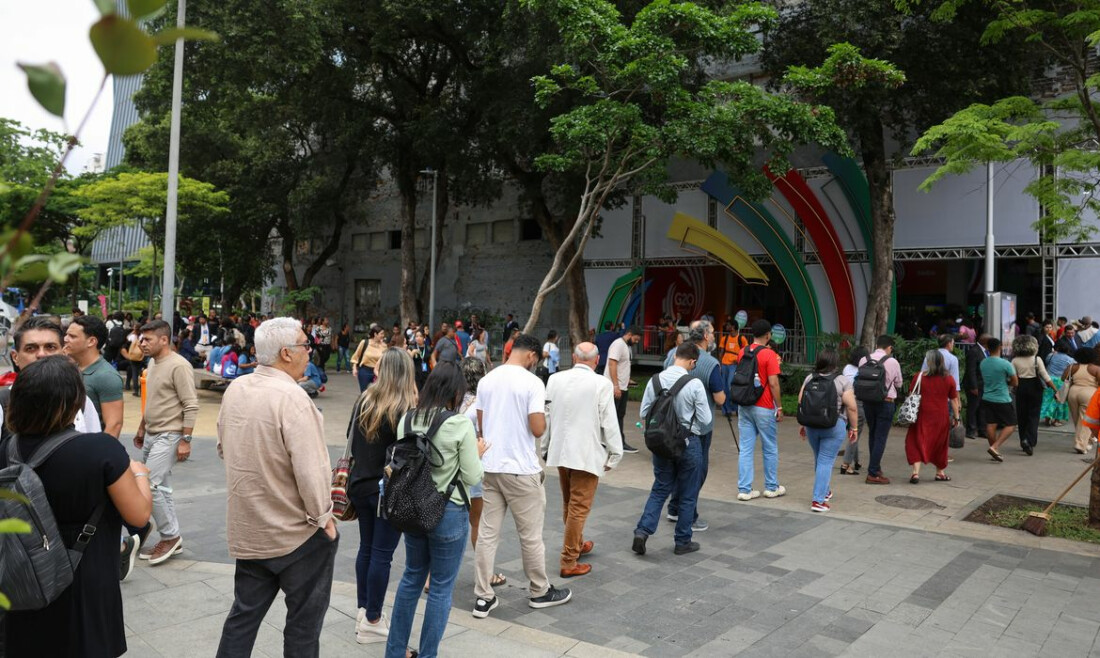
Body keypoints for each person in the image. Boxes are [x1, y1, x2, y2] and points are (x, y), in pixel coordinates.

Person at [0, 356, 152, 658]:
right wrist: (140, 474)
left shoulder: (6, 447)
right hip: (84, 581)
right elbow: (139, 515)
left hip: (22, 579)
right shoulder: (100, 450)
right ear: (74, 402)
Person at [215, 318, 338, 658]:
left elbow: (224, 447)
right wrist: (323, 518)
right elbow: (312, 472)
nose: (308, 351)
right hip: (296, 535)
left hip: (250, 530)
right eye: (305, 345)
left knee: (242, 619)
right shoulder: (294, 399)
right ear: (287, 353)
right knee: (302, 628)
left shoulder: (237, 389)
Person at [385, 363, 487, 658]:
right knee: (441, 587)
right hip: (448, 512)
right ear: (456, 392)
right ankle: (428, 655)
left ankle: (394, 652)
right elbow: (472, 477)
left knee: (411, 577)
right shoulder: (459, 424)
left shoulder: (407, 419)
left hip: (412, 508)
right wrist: (478, 454)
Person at [472, 334, 571, 618]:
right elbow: (538, 429)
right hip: (521, 469)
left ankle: (483, 596)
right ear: (532, 355)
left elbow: (481, 422)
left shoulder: (487, 379)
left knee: (487, 534)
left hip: (490, 466)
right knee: (530, 536)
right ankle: (539, 591)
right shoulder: (532, 382)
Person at [344, 348, 417, 644]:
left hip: (359, 484)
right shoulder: (404, 408)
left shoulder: (365, 398)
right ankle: (373, 619)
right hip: (385, 491)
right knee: (382, 555)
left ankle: (365, 610)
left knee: (367, 548)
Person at [542, 342, 623, 577]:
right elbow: (608, 420)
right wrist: (616, 453)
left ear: (575, 358)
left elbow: (547, 416)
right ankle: (568, 560)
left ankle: (576, 544)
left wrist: (546, 447)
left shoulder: (555, 380)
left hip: (561, 451)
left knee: (570, 503)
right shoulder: (601, 384)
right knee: (578, 507)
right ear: (596, 361)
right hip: (586, 453)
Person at [632, 342, 711, 555]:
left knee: (660, 488)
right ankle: (682, 541)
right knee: (687, 493)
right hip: (688, 442)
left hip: (661, 443)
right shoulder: (695, 384)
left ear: (676, 355)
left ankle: (642, 531)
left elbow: (644, 412)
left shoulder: (655, 380)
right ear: (693, 361)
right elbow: (706, 420)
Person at [133, 320, 199, 564]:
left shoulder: (179, 366)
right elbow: (152, 399)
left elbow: (191, 404)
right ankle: (174, 536)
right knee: (162, 488)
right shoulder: (152, 362)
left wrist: (186, 440)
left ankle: (169, 537)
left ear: (164, 339)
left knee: (149, 485)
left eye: (147, 339)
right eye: (141, 339)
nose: (142, 343)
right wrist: (142, 427)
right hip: (152, 433)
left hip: (170, 434)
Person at [663, 321, 726, 530]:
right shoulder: (710, 363)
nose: (715, 337)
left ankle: (674, 508)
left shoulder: (674, 354)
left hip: (671, 422)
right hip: (699, 427)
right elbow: (720, 399)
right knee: (696, 471)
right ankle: (689, 515)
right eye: (713, 333)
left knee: (677, 467)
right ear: (706, 336)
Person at [797, 350, 859, 511]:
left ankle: (825, 490)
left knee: (820, 459)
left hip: (811, 425)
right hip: (833, 426)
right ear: (835, 363)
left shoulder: (810, 378)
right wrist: (854, 427)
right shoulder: (842, 381)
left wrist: (803, 423)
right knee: (825, 461)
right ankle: (818, 500)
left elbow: (801, 400)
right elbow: (852, 407)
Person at [737, 320, 786, 498]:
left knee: (746, 448)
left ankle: (744, 489)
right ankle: (771, 487)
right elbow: (773, 383)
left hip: (744, 405)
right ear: (768, 335)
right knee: (770, 447)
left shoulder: (742, 351)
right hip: (764, 406)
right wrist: (779, 406)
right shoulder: (769, 354)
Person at [904, 350, 960, 483]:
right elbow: (954, 399)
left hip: (921, 414)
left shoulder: (919, 377)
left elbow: (911, 393)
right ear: (942, 362)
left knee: (916, 440)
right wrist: (957, 417)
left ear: (929, 362)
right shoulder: (949, 379)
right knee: (940, 444)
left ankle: (915, 473)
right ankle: (940, 473)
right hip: (941, 416)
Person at [64, 315, 124, 438]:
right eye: (66, 334)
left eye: (72, 336)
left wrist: (101, 455)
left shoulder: (106, 376)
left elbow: (114, 425)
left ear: (91, 341)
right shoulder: (70, 369)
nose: (65, 339)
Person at [859, 335, 904, 484]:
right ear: (889, 347)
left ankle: (875, 467)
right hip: (886, 402)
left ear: (877, 344)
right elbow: (898, 384)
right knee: (880, 437)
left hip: (867, 402)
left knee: (873, 434)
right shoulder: (892, 362)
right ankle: (873, 473)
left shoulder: (864, 359)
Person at [1012, 335, 1056, 456]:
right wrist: (1055, 389)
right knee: (1033, 415)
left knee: (1022, 415)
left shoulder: (1015, 360)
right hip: (1035, 388)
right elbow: (1046, 377)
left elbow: (1013, 377)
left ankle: (1023, 440)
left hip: (1021, 387)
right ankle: (1029, 440)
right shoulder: (1037, 359)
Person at [604, 326, 643, 454]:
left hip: (622, 386)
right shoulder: (618, 345)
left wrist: (627, 380)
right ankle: (615, 443)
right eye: (636, 339)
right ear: (630, 334)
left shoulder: (626, 346)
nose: (636, 342)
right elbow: (612, 364)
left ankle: (615, 442)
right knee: (614, 416)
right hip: (616, 388)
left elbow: (622, 366)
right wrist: (616, 385)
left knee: (619, 416)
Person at [980, 337, 1018, 462]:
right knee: (1011, 424)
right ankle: (995, 447)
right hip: (1002, 398)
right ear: (1000, 347)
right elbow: (1015, 381)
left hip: (987, 397)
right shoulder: (1005, 364)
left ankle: (994, 450)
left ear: (987, 348)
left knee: (991, 424)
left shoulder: (983, 362)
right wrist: (1007, 382)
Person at [839, 346, 868, 475]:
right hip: (858, 403)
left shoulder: (846, 368)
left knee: (853, 430)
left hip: (845, 402)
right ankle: (846, 464)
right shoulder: (864, 370)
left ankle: (856, 461)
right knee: (855, 433)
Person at [1066, 347, 1100, 454]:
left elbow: (1064, 378)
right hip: (1089, 393)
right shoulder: (1095, 368)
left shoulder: (1072, 367)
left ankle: (1086, 440)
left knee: (1077, 419)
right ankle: (1080, 444)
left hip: (1073, 392)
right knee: (1085, 420)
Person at [1043, 339, 1075, 427]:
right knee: (1060, 401)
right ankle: (1056, 421)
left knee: (1049, 399)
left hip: (1049, 380)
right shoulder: (1071, 360)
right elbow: (1072, 371)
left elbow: (1046, 362)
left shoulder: (1050, 356)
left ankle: (1047, 418)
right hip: (1062, 381)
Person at [964, 334, 990, 439]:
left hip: (983, 384)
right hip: (975, 385)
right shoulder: (974, 352)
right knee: (973, 407)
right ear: (986, 342)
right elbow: (971, 371)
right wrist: (974, 386)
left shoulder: (985, 351)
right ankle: (971, 430)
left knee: (982, 408)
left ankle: (982, 429)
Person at [352, 326, 386, 392]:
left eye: (383, 334)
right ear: (375, 334)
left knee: (377, 393)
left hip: (378, 372)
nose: (383, 336)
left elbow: (385, 359)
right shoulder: (365, 343)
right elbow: (356, 356)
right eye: (381, 334)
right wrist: (354, 368)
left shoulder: (384, 346)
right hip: (365, 371)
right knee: (365, 393)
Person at [124, 325, 145, 397]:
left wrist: (132, 332)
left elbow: (126, 339)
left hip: (133, 357)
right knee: (142, 373)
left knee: (134, 374)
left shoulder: (132, 336)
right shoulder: (143, 336)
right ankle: (142, 390)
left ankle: (136, 391)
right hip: (141, 356)